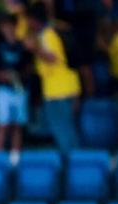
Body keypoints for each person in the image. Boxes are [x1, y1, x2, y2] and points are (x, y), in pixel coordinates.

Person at [31, 5, 80, 154]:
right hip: (66, 87)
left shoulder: (46, 34)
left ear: (34, 20)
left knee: (63, 132)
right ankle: (76, 164)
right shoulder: (52, 31)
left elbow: (53, 58)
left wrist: (34, 49)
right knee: (67, 131)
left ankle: (73, 165)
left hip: (58, 91)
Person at [0, 15, 29, 158]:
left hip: (19, 89)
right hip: (3, 90)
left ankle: (15, 160)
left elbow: (30, 67)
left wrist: (18, 76)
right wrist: (1, 75)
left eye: (10, 25)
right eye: (5, 26)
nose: (8, 29)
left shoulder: (22, 46)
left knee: (18, 125)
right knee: (2, 124)